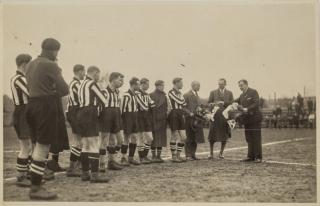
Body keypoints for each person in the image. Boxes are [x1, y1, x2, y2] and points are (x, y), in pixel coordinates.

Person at [26, 38, 69, 199]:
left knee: (36, 144)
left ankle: (35, 179)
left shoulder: (30, 64)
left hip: (31, 104)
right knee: (43, 147)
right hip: (45, 106)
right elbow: (64, 89)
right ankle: (36, 188)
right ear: (54, 51)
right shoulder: (51, 64)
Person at [77, 66, 110, 183]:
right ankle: (95, 175)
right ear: (95, 73)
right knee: (94, 143)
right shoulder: (92, 83)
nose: (98, 77)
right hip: (90, 112)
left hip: (81, 113)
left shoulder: (81, 83)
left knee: (85, 144)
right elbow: (103, 100)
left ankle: (85, 173)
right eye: (98, 74)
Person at [10, 53, 33, 187]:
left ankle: (27, 172)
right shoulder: (19, 78)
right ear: (24, 64)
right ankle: (21, 176)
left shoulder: (20, 78)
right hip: (22, 113)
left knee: (28, 145)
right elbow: (32, 93)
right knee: (25, 146)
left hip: (23, 112)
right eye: (30, 64)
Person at [99, 72, 125, 171]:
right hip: (106, 115)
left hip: (116, 114)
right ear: (113, 80)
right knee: (104, 140)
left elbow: (119, 106)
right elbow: (99, 107)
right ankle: (101, 163)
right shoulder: (104, 91)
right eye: (120, 80)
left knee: (115, 140)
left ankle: (111, 162)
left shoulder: (118, 92)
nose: (121, 82)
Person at [235, 79, 263, 163]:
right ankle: (250, 156)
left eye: (241, 85)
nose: (240, 87)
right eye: (239, 86)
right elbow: (234, 101)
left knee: (256, 138)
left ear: (246, 84)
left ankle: (258, 157)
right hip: (247, 120)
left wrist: (247, 109)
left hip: (255, 119)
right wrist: (224, 103)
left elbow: (256, 103)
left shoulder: (253, 92)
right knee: (249, 138)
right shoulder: (241, 95)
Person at [66, 64, 86, 177]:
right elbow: (83, 98)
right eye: (84, 71)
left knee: (80, 140)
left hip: (76, 111)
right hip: (75, 112)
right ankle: (72, 168)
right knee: (78, 141)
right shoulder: (76, 84)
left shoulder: (77, 83)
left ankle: (78, 165)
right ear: (79, 71)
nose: (85, 74)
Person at [207, 78, 234, 159]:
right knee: (212, 135)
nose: (220, 85)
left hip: (225, 117)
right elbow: (209, 103)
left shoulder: (229, 93)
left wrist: (224, 103)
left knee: (224, 135)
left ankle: (221, 153)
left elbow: (232, 104)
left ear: (225, 84)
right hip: (215, 117)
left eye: (222, 84)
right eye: (219, 84)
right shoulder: (213, 92)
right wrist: (214, 104)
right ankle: (211, 153)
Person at [168, 78, 192, 163]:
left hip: (180, 113)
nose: (182, 85)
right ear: (176, 83)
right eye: (181, 83)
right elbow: (180, 101)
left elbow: (184, 103)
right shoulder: (171, 92)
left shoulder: (180, 93)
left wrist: (181, 101)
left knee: (184, 137)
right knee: (174, 135)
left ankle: (178, 155)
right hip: (173, 114)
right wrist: (181, 101)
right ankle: (174, 156)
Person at [120, 77, 142, 165]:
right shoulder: (126, 95)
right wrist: (121, 120)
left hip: (134, 117)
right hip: (127, 117)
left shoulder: (135, 94)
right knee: (126, 138)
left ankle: (131, 158)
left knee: (134, 138)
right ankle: (123, 158)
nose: (139, 86)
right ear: (134, 85)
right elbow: (122, 108)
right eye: (138, 84)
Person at [149, 80, 172, 163]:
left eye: (163, 85)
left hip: (162, 120)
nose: (163, 87)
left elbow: (168, 108)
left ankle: (158, 156)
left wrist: (166, 115)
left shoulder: (165, 96)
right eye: (162, 85)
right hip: (153, 120)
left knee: (161, 138)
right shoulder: (150, 95)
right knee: (154, 138)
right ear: (157, 86)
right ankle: (153, 156)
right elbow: (149, 109)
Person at [135, 78, 156, 163]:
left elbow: (153, 104)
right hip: (139, 117)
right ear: (142, 84)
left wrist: (147, 106)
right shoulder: (137, 93)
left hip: (146, 118)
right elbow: (145, 106)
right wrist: (147, 106)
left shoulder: (147, 94)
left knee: (150, 138)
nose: (148, 86)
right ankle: (142, 157)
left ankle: (144, 156)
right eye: (147, 84)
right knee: (140, 138)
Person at [183, 81, 205, 160]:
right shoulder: (186, 95)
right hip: (189, 119)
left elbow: (199, 106)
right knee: (189, 137)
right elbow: (183, 107)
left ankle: (193, 154)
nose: (199, 87)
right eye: (198, 85)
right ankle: (188, 155)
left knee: (195, 137)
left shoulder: (197, 95)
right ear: (193, 86)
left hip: (197, 119)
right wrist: (189, 113)